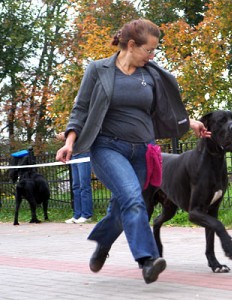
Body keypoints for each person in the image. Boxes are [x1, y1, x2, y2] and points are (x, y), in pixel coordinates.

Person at [55, 18, 211, 284]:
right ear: (130, 45)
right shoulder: (98, 70)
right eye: (148, 50)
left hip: (141, 151)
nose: (152, 56)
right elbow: (81, 109)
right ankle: (147, 259)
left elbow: (165, 111)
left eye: (154, 51)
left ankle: (103, 243)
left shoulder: (149, 74)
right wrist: (70, 141)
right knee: (134, 199)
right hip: (107, 147)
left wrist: (191, 122)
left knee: (122, 206)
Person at [57, 132, 93, 224]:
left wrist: (65, 135)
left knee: (84, 185)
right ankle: (77, 215)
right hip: (74, 154)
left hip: (84, 153)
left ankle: (86, 215)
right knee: (75, 186)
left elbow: (82, 133)